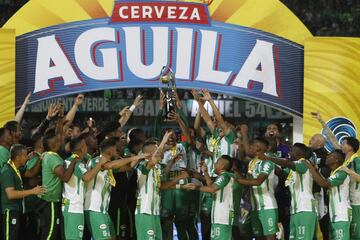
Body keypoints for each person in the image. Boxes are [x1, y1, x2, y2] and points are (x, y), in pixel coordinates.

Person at [84, 138, 147, 240]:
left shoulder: (109, 166)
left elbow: (129, 167)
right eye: (115, 150)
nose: (117, 152)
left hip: (103, 210)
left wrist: (139, 156)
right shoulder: (96, 161)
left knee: (113, 237)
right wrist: (134, 157)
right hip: (93, 208)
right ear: (110, 151)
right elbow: (109, 165)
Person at [266, 143, 317, 240]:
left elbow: (287, 163)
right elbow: (281, 173)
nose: (289, 153)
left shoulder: (304, 163)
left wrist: (268, 158)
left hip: (305, 209)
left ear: (300, 153)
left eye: (292, 150)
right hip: (295, 210)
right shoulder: (292, 170)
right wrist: (266, 162)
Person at [62, 136, 108, 240]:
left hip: (72, 207)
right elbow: (86, 177)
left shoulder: (72, 160)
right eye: (85, 145)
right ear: (82, 148)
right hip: (74, 208)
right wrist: (100, 164)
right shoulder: (77, 163)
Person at [183, 155, 237, 240]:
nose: (214, 164)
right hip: (219, 217)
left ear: (222, 166)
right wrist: (205, 172)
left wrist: (195, 187)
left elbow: (212, 189)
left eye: (217, 162)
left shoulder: (225, 176)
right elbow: (211, 185)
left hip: (222, 217)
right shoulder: (223, 177)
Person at [236, 137, 278, 240]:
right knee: (258, 237)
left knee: (270, 237)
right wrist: (235, 172)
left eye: (252, 145)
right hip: (255, 207)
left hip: (268, 206)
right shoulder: (251, 163)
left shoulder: (268, 163)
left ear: (258, 148)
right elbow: (247, 182)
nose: (250, 147)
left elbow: (258, 182)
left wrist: (238, 181)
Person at [1, 144, 44, 240]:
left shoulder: (17, 168)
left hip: (16, 210)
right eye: (25, 155)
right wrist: (32, 191)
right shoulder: (7, 171)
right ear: (18, 158)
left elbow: (32, 173)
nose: (27, 158)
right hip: (10, 210)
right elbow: (10, 194)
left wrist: (39, 160)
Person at [304, 150, 351, 240]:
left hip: (342, 215)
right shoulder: (333, 173)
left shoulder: (341, 173)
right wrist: (316, 170)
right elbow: (324, 181)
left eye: (330, 156)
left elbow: (323, 183)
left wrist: (310, 167)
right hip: (335, 215)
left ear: (336, 160)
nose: (327, 157)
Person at [308, 133, 330, 240]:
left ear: (320, 143)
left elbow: (326, 174)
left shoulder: (327, 156)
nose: (310, 140)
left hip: (323, 196)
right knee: (312, 227)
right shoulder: (308, 154)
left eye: (312, 138)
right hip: (309, 195)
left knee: (325, 227)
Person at [340, 137, 360, 240]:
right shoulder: (345, 161)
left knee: (356, 234)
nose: (341, 145)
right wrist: (322, 122)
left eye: (343, 144)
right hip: (346, 201)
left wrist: (349, 171)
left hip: (356, 202)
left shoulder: (356, 160)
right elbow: (333, 140)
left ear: (350, 147)